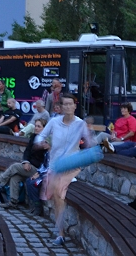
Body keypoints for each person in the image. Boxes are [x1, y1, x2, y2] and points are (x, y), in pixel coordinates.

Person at [34, 93, 94, 246]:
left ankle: (60, 234)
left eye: (70, 104)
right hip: (54, 165)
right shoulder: (54, 122)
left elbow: (89, 143)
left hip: (71, 165)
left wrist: (91, 139)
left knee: (58, 195)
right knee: (55, 198)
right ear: (60, 107)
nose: (68, 107)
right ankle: (60, 232)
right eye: (65, 104)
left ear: (75, 106)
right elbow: (40, 136)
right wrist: (42, 142)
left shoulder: (80, 124)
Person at [0, 119, 49, 209]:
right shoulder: (34, 137)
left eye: (39, 126)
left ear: (45, 128)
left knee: (15, 167)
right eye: (35, 126)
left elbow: (44, 160)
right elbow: (27, 152)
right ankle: (13, 202)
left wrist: (31, 165)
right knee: (14, 177)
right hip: (29, 166)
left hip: (38, 170)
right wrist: (26, 162)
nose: (36, 128)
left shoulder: (46, 141)